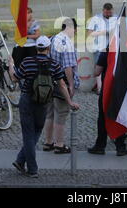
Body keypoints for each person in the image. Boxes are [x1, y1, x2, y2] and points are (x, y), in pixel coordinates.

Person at [8, 36, 77, 178]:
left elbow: (14, 78)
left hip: (27, 99)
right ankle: (21, 161)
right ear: (48, 48)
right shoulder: (54, 64)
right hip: (43, 101)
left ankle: (31, 169)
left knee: (28, 134)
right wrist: (70, 102)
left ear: (36, 48)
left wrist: (11, 65)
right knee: (37, 130)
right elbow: (62, 85)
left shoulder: (27, 62)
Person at [87, 46, 127, 156]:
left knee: (103, 117)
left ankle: (100, 146)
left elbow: (97, 72)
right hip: (123, 92)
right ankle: (121, 147)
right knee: (121, 117)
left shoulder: (106, 52)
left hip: (107, 90)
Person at [43, 18, 80, 153]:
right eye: (75, 29)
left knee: (50, 113)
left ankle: (48, 142)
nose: (75, 32)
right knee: (61, 113)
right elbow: (68, 67)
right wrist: (71, 85)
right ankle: (59, 144)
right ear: (71, 28)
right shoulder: (67, 43)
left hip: (49, 81)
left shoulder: (52, 39)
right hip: (61, 82)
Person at [87, 3, 117, 94]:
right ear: (103, 10)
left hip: (112, 48)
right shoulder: (96, 19)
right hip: (98, 48)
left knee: (111, 68)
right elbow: (90, 33)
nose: (108, 15)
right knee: (98, 67)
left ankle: (109, 87)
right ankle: (100, 89)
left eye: (110, 13)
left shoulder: (117, 18)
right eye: (106, 13)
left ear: (112, 10)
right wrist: (103, 32)